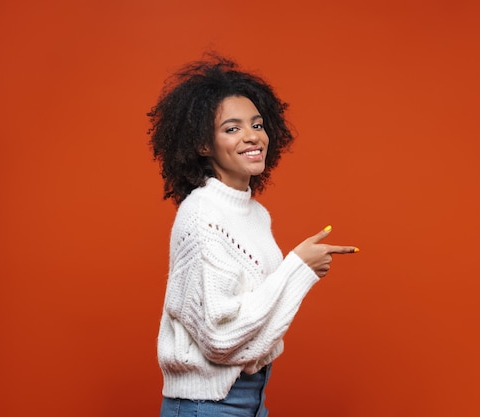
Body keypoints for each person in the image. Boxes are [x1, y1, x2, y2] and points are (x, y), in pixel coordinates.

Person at [147, 54, 359, 417]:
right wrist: (298, 269)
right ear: (202, 145)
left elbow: (253, 319)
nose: (251, 136)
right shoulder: (202, 214)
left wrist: (299, 269)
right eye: (232, 129)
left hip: (253, 394)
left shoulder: (255, 214)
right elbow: (219, 340)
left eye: (257, 124)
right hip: (209, 405)